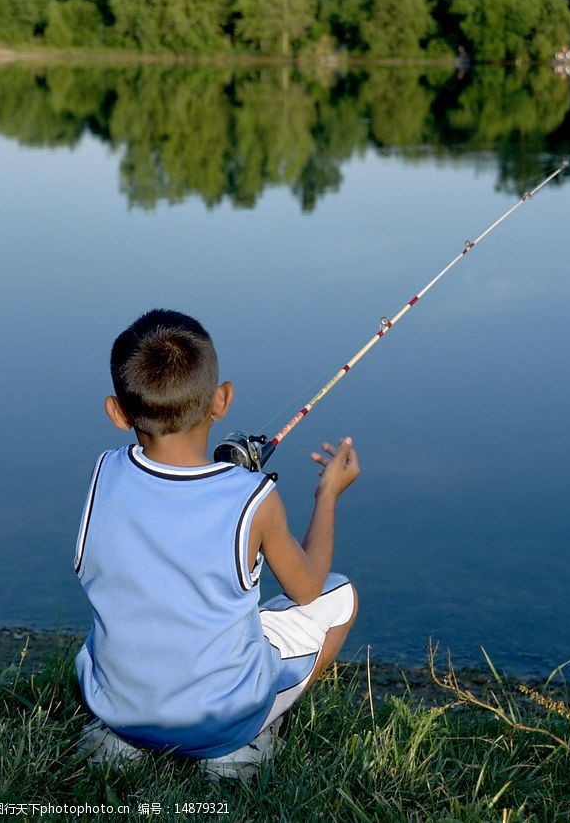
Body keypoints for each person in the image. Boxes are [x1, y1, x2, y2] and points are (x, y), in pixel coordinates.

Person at [74, 308, 359, 766]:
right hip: (221, 721)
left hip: (117, 708)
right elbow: (306, 588)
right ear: (222, 400)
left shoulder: (102, 475)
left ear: (116, 412)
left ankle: (121, 743)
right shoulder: (254, 498)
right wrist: (327, 495)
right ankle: (243, 741)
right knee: (339, 595)